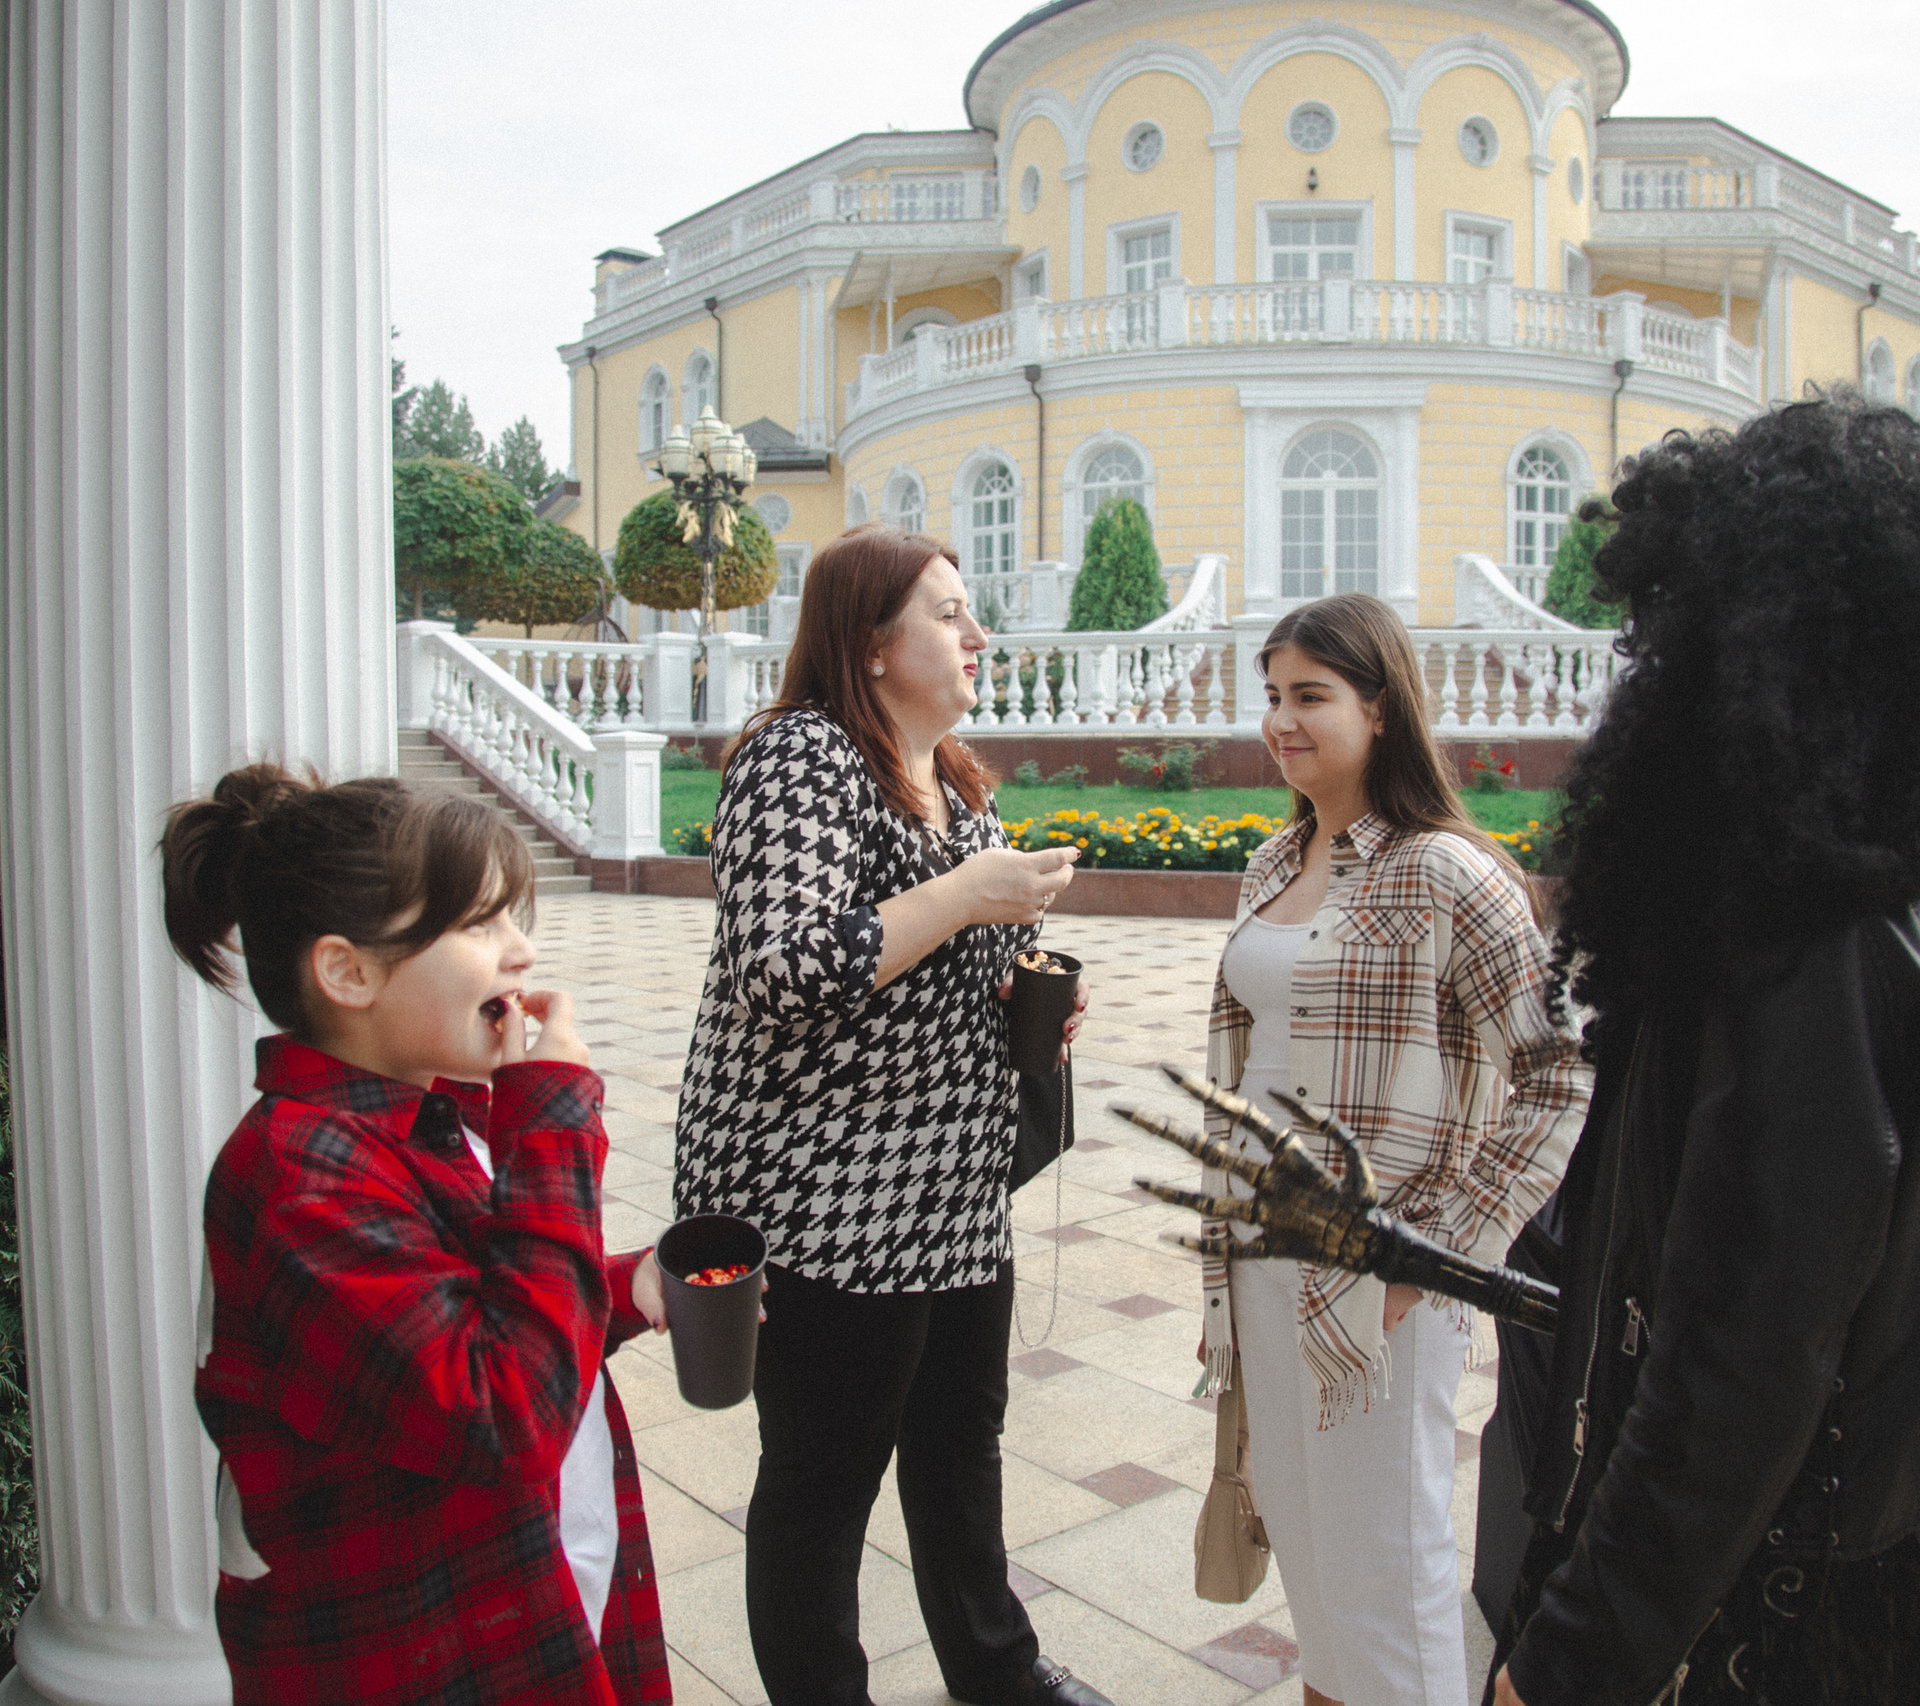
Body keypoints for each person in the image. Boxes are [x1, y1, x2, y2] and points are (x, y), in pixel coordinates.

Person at [1489, 393, 1920, 1705]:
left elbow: (1742, 1357)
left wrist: (1571, 1656)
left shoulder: (1812, 927)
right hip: (1905, 1576)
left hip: (1773, 1612)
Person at [673, 526, 1104, 1706]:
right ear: (870, 642)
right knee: (822, 1482)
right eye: (949, 613)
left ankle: (997, 1670)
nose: (978, 634)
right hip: (826, 1198)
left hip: (950, 1189)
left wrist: (1027, 995)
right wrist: (967, 894)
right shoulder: (800, 753)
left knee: (960, 1448)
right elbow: (785, 965)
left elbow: (942, 959)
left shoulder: (953, 775)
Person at [163, 766, 670, 1706]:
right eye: (480, 923)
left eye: (513, 917)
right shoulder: (299, 1176)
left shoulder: (429, 1116)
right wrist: (551, 1128)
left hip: (524, 1604)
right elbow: (501, 1408)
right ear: (348, 973)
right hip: (417, 1653)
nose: (521, 951)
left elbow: (472, 1310)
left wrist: (621, 1289)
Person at [1198, 592, 1593, 1706]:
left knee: (1386, 1562)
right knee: (1303, 1535)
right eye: (1273, 694)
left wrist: (1440, 1256)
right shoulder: (1274, 861)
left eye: (1311, 695)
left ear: (1382, 709)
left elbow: (1560, 1072)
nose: (1282, 720)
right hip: (1258, 1247)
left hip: (1381, 1270)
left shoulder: (1447, 872)